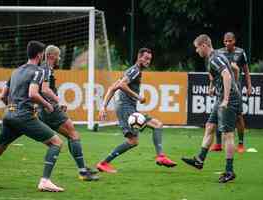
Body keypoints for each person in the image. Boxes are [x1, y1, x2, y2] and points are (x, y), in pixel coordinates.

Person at [0, 41, 65, 192]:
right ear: (39, 55)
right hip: (24, 116)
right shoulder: (39, 71)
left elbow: (2, 96)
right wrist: (47, 105)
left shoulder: (16, 71)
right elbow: (33, 93)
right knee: (56, 143)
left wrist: (12, 108)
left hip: (9, 115)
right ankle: (45, 181)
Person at [96, 48, 177, 173]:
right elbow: (122, 85)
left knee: (133, 141)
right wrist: (138, 97)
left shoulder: (131, 70)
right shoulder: (135, 70)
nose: (148, 61)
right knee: (157, 125)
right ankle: (160, 156)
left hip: (126, 107)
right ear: (139, 57)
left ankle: (104, 163)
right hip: (126, 108)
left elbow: (113, 88)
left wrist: (103, 107)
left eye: (149, 59)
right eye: (145, 58)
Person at [181, 34, 242, 183]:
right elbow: (234, 68)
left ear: (204, 45)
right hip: (222, 97)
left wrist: (227, 98)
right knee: (209, 126)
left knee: (228, 134)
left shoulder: (214, 58)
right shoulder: (217, 56)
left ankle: (229, 171)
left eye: (197, 48)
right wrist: (214, 86)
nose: (196, 51)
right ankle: (199, 160)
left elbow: (227, 75)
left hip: (228, 99)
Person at [38, 45, 99, 181]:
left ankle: (82, 168)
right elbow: (45, 89)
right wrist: (58, 101)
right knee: (73, 134)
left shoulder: (41, 68)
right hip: (51, 110)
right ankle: (83, 171)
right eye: (58, 56)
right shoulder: (46, 68)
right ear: (52, 56)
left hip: (44, 110)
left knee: (70, 136)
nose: (59, 58)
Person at [210, 32, 252, 153]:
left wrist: (249, 86)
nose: (227, 43)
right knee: (218, 115)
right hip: (221, 90)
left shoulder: (240, 52)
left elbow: (246, 71)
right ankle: (218, 144)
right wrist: (211, 86)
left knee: (239, 117)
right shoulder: (219, 53)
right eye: (225, 41)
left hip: (236, 91)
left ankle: (240, 144)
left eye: (230, 41)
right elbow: (213, 73)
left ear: (234, 41)